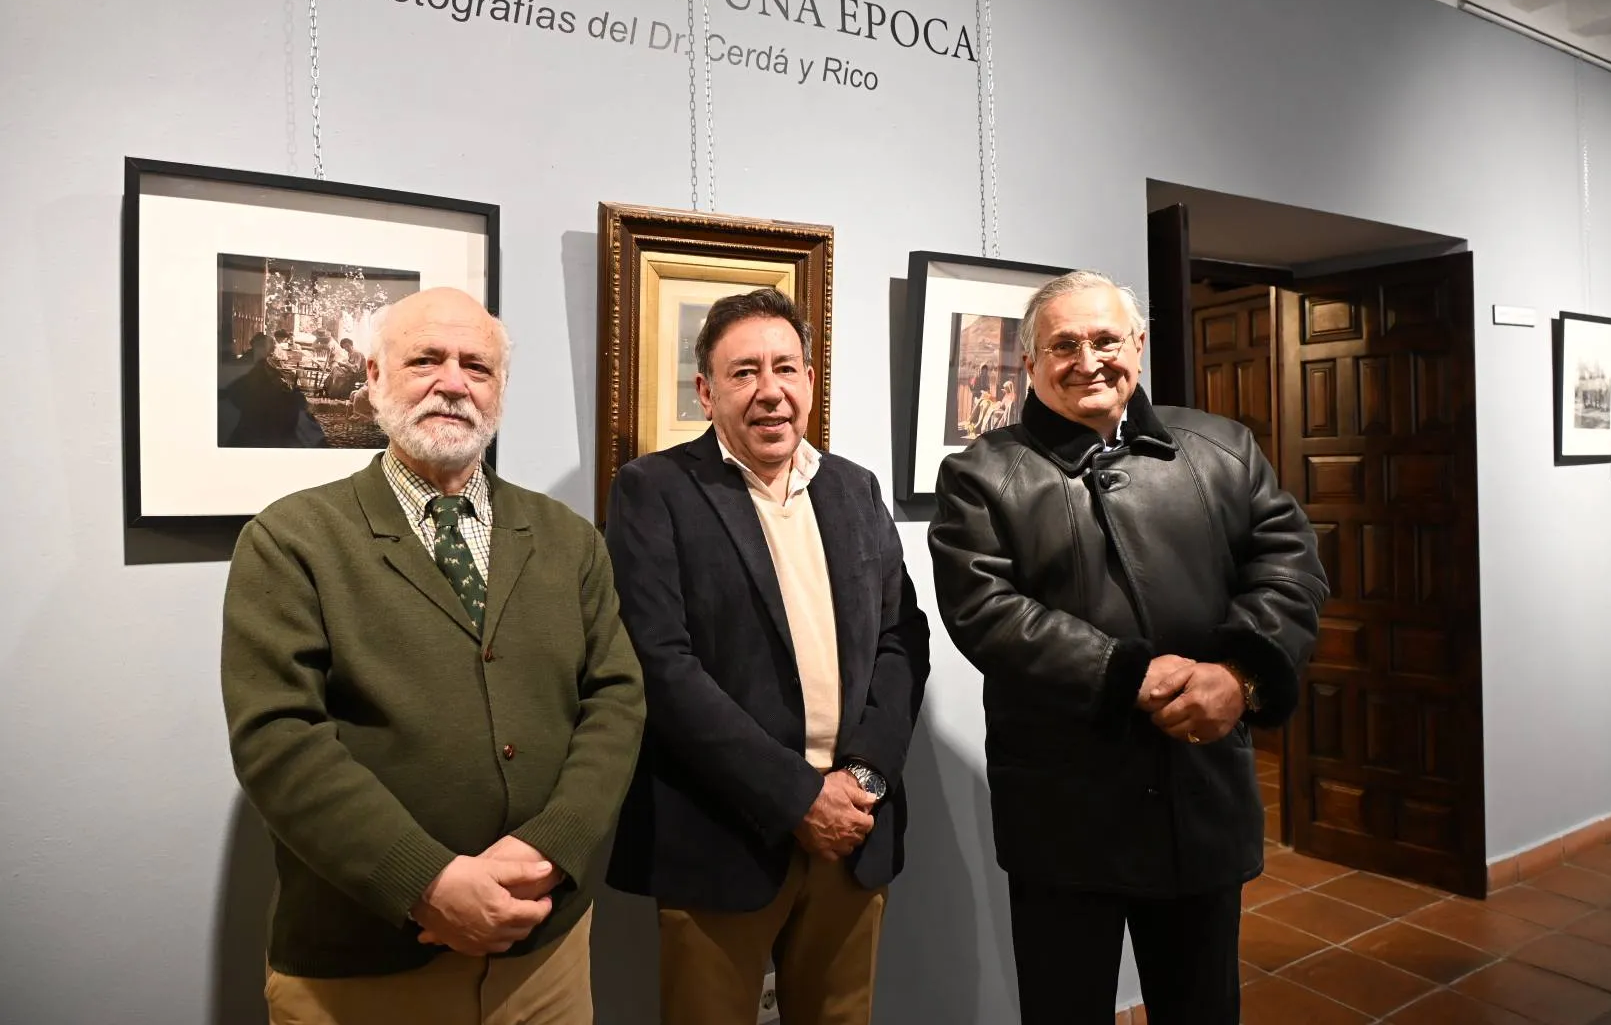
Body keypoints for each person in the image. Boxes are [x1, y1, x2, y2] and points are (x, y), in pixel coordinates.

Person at [221, 287, 645, 1025]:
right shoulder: (291, 541)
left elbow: (616, 699)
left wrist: (552, 850)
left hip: (543, 955)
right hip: (367, 966)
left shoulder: (567, 538)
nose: (453, 382)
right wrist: (429, 882)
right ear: (376, 379)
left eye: (477, 367)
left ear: (500, 393)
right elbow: (278, 741)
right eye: (426, 359)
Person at [928, 270, 1327, 1024]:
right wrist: (1130, 675)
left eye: (1106, 339)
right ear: (1029, 362)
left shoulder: (1222, 448)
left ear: (1137, 345)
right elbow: (987, 612)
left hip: (1198, 793)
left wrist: (1240, 675)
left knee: (1202, 1005)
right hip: (1063, 809)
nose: (1089, 360)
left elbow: (1291, 565)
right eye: (1064, 344)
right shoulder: (979, 476)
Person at [603, 286, 930, 1025]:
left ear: (810, 381)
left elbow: (900, 637)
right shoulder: (654, 491)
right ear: (705, 390)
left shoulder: (853, 487)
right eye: (744, 371)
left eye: (786, 368)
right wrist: (796, 797)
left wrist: (865, 776)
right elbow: (660, 664)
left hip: (855, 828)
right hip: (722, 834)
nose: (770, 391)